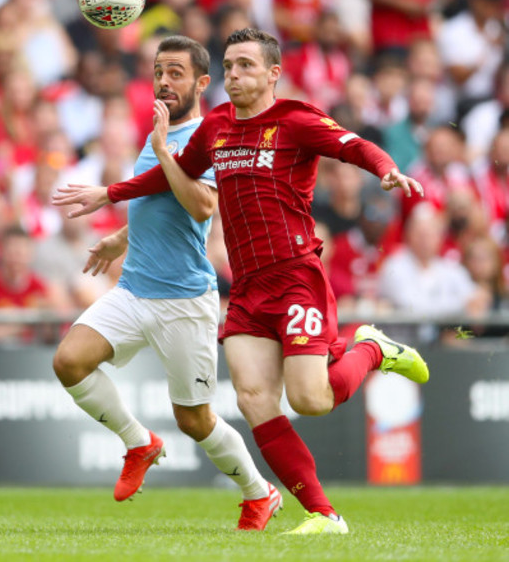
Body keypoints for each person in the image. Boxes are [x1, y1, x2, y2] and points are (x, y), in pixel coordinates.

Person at [53, 28, 428, 536]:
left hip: (296, 276)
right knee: (253, 401)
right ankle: (323, 515)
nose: (234, 75)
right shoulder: (217, 127)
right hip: (247, 287)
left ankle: (371, 348)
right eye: (230, 65)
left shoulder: (296, 119)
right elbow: (172, 177)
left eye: (246, 65)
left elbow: (355, 145)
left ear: (273, 73)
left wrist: (387, 169)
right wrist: (111, 194)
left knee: (310, 400)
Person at [52, 35, 280, 532]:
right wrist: (121, 238)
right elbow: (159, 203)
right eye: (158, 71)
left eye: (175, 73)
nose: (163, 81)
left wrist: (162, 150)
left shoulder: (211, 136)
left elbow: (201, 205)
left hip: (184, 300)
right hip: (134, 289)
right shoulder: (158, 130)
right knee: (69, 361)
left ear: (201, 82)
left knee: (194, 420)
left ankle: (259, 493)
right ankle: (138, 442)